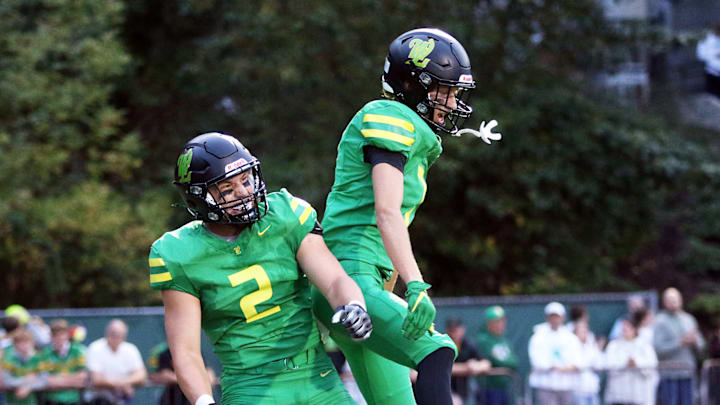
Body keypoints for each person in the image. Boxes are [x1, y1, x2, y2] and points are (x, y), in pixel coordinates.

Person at [311, 27, 497, 405]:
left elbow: (387, 228)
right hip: (347, 277)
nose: (451, 101)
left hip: (366, 281)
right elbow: (385, 212)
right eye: (443, 90)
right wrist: (416, 285)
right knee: (437, 349)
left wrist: (394, 289)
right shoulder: (389, 114)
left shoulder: (413, 132)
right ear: (412, 84)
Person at [150, 132, 373, 405]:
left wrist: (353, 304)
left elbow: (334, 279)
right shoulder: (178, 253)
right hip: (250, 385)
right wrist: (203, 400)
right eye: (228, 189)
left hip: (317, 375)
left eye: (245, 180)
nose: (244, 193)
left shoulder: (284, 215)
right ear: (198, 198)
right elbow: (185, 351)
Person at [653, 287, 705, 405]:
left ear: (681, 300)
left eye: (675, 299)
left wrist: (695, 341)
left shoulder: (689, 319)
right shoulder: (659, 321)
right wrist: (680, 343)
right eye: (670, 299)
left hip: (688, 372)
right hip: (669, 374)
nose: (673, 302)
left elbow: (701, 346)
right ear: (665, 302)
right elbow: (658, 349)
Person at [528, 302, 583, 405]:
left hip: (566, 385)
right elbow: (536, 360)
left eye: (557, 316)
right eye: (552, 316)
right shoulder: (538, 337)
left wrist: (568, 368)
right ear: (547, 318)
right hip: (545, 385)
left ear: (563, 318)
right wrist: (553, 367)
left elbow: (578, 360)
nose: (555, 320)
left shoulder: (570, 337)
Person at [84, 319, 147, 405]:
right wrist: (122, 385)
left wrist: (124, 383)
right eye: (113, 334)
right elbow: (96, 379)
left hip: (122, 399)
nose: (116, 338)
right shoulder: (95, 347)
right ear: (107, 334)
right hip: (98, 399)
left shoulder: (130, 349)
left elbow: (141, 375)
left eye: (120, 335)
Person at [604, 314, 658, 405]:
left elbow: (652, 366)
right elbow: (609, 366)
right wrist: (625, 363)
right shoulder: (614, 345)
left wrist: (636, 363)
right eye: (623, 327)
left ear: (635, 329)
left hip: (639, 396)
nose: (624, 329)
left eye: (628, 326)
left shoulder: (645, 345)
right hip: (618, 396)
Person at [39, 319, 88, 405]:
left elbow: (82, 380)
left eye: (62, 334)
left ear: (67, 335)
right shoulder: (45, 354)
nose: (59, 338)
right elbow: (45, 382)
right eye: (55, 335)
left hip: (73, 401)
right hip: (51, 401)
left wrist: (57, 379)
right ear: (51, 336)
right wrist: (71, 379)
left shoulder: (78, 351)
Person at [476, 306, 518, 405]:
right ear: (489, 323)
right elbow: (497, 360)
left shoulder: (503, 340)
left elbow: (514, 361)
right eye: (497, 321)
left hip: (505, 388)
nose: (501, 324)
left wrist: (508, 363)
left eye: (502, 321)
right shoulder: (484, 340)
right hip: (489, 389)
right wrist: (507, 364)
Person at [444, 318, 490, 404]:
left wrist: (476, 365)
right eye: (451, 331)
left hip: (465, 390)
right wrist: (466, 367)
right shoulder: (443, 345)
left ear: (462, 330)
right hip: (447, 389)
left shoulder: (467, 345)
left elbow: (486, 363)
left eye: (456, 330)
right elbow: (442, 368)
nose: (453, 334)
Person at [1, 328, 48, 405]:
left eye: (27, 342)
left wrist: (28, 387)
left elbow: (44, 380)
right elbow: (7, 381)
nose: (25, 345)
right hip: (12, 401)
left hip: (32, 401)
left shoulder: (39, 358)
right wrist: (27, 380)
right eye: (21, 343)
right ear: (15, 344)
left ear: (32, 343)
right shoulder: (8, 358)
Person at [572, 321, 602, 405]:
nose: (584, 334)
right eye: (581, 331)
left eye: (585, 331)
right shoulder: (571, 346)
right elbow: (578, 364)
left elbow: (599, 363)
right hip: (578, 391)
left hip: (593, 390)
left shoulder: (592, 346)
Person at [696, 22, 720, 99]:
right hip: (713, 73)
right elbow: (701, 55)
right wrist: (716, 53)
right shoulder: (706, 39)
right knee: (713, 97)